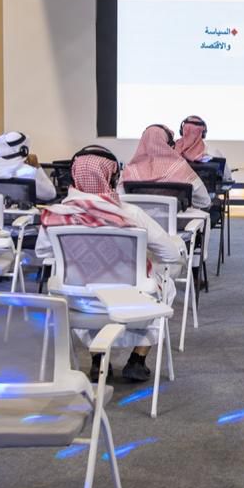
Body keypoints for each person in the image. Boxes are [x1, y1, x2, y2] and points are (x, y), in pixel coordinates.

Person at [40, 148, 184, 383]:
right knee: (165, 281)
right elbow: (170, 253)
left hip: (79, 303)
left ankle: (98, 360)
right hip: (132, 302)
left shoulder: (55, 216)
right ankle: (137, 359)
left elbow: (43, 253)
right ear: (112, 178)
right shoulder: (131, 214)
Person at [122, 124, 211, 211]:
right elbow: (204, 201)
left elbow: (121, 199)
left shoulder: (129, 171)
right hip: (177, 220)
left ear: (142, 143)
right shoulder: (180, 168)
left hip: (139, 220)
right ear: (168, 145)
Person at [0, 131, 57, 202]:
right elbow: (50, 194)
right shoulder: (28, 171)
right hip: (21, 218)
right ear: (24, 150)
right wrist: (37, 166)